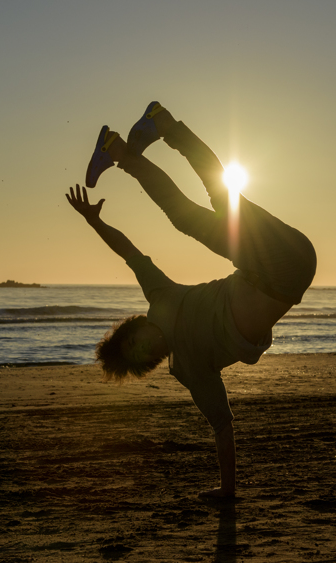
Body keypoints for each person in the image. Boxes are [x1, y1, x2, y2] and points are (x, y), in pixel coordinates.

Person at [66, 102, 316, 498]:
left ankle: (129, 143)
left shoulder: (161, 297)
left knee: (206, 203)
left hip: (274, 258)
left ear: (135, 328)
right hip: (286, 273)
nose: (143, 344)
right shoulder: (188, 368)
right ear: (146, 361)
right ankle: (141, 136)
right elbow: (222, 426)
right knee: (203, 206)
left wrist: (94, 222)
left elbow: (128, 252)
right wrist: (228, 490)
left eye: (133, 340)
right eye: (139, 354)